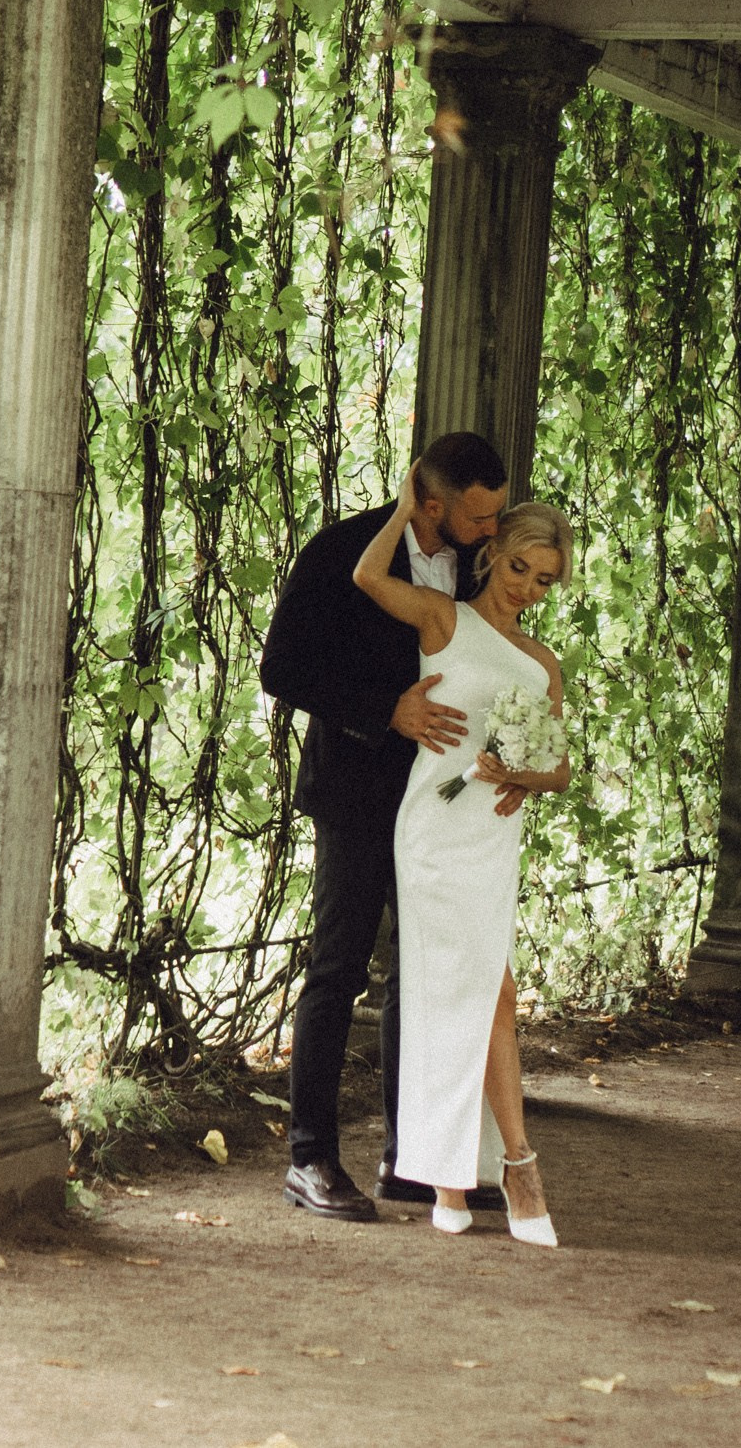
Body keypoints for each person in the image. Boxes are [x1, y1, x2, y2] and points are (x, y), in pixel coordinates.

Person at [260, 432, 511, 1221]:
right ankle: (310, 1156)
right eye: (478, 517)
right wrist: (384, 710)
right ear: (430, 503)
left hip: (444, 800)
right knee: (338, 969)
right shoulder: (342, 549)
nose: (491, 532)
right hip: (358, 791)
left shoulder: (479, 565)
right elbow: (282, 666)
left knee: (427, 976)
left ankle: (414, 1158)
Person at [351, 481, 575, 1246]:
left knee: (482, 996)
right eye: (519, 568)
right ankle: (517, 1168)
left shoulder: (541, 662)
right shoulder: (445, 616)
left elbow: (560, 771)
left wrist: (517, 772)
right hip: (435, 831)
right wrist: (406, 504)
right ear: (492, 553)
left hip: (491, 834)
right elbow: (368, 579)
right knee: (486, 994)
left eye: (543, 579)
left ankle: (452, 1179)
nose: (527, 588)